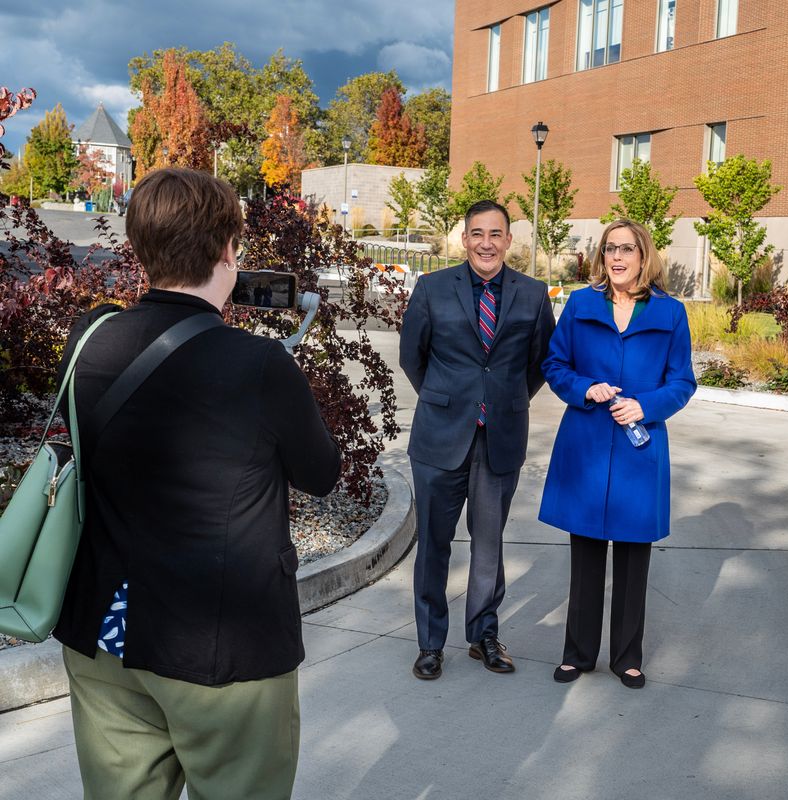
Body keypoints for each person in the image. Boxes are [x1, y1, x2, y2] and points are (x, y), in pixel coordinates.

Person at [54, 167, 341, 800]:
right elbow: (323, 475)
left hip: (107, 629)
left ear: (139, 247)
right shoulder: (260, 364)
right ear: (226, 250)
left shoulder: (89, 339)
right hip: (218, 647)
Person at [399, 199, 555, 680]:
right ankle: (430, 643)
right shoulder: (431, 288)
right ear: (464, 239)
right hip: (439, 439)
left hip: (500, 439)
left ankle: (484, 634)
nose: (486, 243)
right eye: (477, 234)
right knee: (434, 545)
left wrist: (500, 401)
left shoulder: (532, 294)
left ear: (509, 240)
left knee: (489, 544)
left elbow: (539, 364)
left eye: (496, 234)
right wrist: (450, 401)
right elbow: (412, 358)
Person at [538, 219, 696, 689]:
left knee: (632, 554)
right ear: (601, 256)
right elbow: (554, 364)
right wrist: (586, 388)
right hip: (586, 441)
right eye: (610, 249)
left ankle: (627, 656)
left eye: (627, 248)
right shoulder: (582, 303)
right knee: (585, 549)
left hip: (637, 447)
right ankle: (578, 654)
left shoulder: (670, 313)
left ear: (644, 255)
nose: (618, 257)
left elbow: (682, 381)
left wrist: (644, 406)